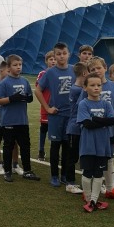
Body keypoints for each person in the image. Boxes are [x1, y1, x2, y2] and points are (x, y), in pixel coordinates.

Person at [34, 42, 75, 189]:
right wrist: (47, 108)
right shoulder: (50, 72)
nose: (61, 56)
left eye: (64, 53)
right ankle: (54, 176)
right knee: (55, 146)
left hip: (70, 116)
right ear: (54, 55)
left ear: (69, 54)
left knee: (67, 147)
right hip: (56, 115)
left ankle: (64, 175)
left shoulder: (74, 70)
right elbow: (38, 90)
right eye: (58, 54)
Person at [0, 54, 40, 182]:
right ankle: (7, 171)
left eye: (20, 64)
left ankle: (27, 171)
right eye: (15, 65)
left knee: (25, 146)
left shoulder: (24, 81)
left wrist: (28, 98)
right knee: (8, 146)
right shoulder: (4, 83)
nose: (18, 67)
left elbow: (29, 97)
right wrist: (11, 99)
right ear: (9, 68)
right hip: (8, 120)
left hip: (22, 120)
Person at [86, 57, 114, 202]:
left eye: (99, 68)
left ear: (105, 68)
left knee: (109, 157)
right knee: (92, 158)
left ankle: (110, 189)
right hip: (93, 130)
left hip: (109, 130)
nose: (96, 71)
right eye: (93, 69)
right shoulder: (88, 86)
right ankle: (89, 190)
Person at [77, 74, 114, 211]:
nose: (96, 88)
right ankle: (88, 199)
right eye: (92, 85)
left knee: (99, 173)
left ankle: (94, 200)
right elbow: (87, 124)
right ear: (85, 87)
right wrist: (102, 121)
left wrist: (94, 118)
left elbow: (112, 121)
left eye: (99, 85)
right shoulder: (83, 104)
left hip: (102, 145)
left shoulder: (106, 104)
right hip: (88, 145)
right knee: (87, 173)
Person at [64, 62, 89, 194]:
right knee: (72, 157)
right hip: (75, 128)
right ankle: (70, 183)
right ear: (84, 73)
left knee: (81, 156)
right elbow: (80, 105)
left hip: (80, 127)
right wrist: (85, 90)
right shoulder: (77, 89)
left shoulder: (77, 88)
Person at [36, 50, 57, 161]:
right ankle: (41, 150)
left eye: (55, 59)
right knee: (44, 128)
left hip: (57, 107)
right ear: (46, 61)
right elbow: (39, 88)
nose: (53, 61)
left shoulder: (60, 73)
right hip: (46, 106)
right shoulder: (43, 73)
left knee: (56, 130)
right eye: (51, 59)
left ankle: (55, 151)